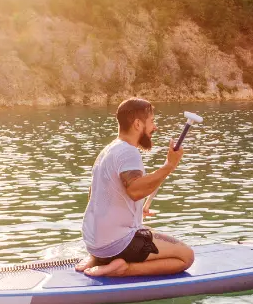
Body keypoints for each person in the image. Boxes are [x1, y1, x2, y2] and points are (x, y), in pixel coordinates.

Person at [75, 98, 195, 277]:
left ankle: (98, 258)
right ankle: (123, 269)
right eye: (152, 122)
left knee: (149, 231)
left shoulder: (109, 150)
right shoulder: (128, 152)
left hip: (94, 242)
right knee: (186, 256)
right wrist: (169, 166)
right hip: (116, 245)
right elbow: (135, 190)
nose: (154, 127)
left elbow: (95, 195)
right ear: (138, 124)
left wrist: (134, 210)